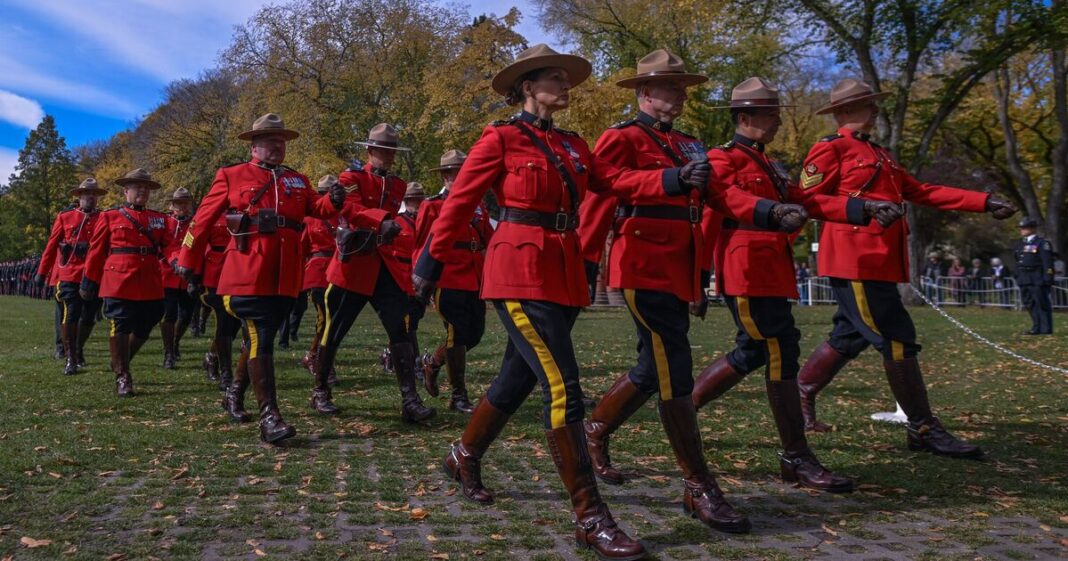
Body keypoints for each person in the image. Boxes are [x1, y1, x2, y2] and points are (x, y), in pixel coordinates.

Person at [413, 44, 720, 560]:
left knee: (517, 378)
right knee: (563, 388)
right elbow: (460, 201)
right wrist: (428, 264)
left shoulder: (576, 145)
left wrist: (670, 178)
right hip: (516, 269)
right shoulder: (500, 137)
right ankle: (591, 518)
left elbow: (614, 182)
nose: (566, 85)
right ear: (529, 87)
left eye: (566, 77)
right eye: (556, 78)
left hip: (562, 272)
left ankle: (463, 454)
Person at [578, 63, 814, 534]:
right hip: (641, 261)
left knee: (653, 367)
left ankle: (594, 430)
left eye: (684, 87)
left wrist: (771, 211)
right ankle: (698, 484)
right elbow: (601, 194)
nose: (681, 94)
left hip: (678, 267)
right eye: (671, 86)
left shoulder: (687, 142)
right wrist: (585, 264)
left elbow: (720, 198)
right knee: (674, 370)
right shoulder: (621, 138)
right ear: (645, 91)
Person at [795, 79, 1017, 459]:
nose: (876, 111)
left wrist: (983, 201)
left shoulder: (880, 154)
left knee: (849, 337)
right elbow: (806, 200)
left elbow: (922, 191)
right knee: (897, 337)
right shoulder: (830, 148)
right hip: (855, 260)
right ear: (845, 113)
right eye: (868, 105)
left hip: (880, 260)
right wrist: (860, 209)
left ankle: (800, 397)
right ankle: (923, 427)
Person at [176, 113, 345, 444]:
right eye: (270, 140)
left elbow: (318, 208)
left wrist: (334, 200)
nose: (277, 146)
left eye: (281, 141)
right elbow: (201, 220)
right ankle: (270, 417)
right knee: (260, 337)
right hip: (247, 272)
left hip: (285, 276)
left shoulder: (298, 180)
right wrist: (187, 258)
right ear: (254, 146)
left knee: (259, 339)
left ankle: (235, 392)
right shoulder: (231, 175)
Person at [312, 124, 435, 421]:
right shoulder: (351, 178)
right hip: (354, 264)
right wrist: (380, 221)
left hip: (384, 265)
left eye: (392, 150)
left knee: (400, 330)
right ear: (369, 150)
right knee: (334, 330)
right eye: (383, 150)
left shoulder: (398, 185)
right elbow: (350, 210)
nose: (389, 155)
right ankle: (320, 391)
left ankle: (410, 400)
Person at [80, 169, 173, 397]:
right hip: (119, 278)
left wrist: (178, 260)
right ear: (126, 191)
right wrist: (89, 280)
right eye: (136, 187)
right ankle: (123, 375)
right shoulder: (110, 216)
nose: (141, 190)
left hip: (150, 278)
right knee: (120, 323)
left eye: (145, 187)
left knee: (150, 319)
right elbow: (96, 251)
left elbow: (170, 246)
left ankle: (121, 359)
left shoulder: (159, 218)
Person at [417, 149, 494, 414]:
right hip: (446, 276)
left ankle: (432, 362)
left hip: (474, 278)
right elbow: (422, 245)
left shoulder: (478, 206)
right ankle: (459, 396)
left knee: (474, 334)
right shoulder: (433, 205)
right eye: (457, 172)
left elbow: (489, 239)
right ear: (447, 176)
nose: (463, 176)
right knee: (456, 332)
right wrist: (422, 281)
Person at [36, 178, 106, 375]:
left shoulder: (104, 218)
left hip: (93, 275)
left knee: (90, 316)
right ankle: (71, 358)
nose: (91, 197)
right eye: (87, 194)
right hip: (69, 273)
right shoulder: (65, 217)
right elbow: (51, 245)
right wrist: (42, 272)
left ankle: (78, 348)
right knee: (70, 313)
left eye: (94, 194)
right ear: (80, 196)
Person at [378, 182, 429, 377]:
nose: (417, 203)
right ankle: (413, 363)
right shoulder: (396, 223)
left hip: (421, 277)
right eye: (413, 200)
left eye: (419, 199)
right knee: (406, 323)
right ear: (406, 201)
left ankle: (390, 355)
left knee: (414, 320)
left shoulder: (425, 222)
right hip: (401, 277)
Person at [299, 176, 340, 385]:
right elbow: (301, 249)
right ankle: (322, 362)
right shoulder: (309, 219)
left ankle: (313, 356)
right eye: (324, 193)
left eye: (330, 193)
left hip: (337, 270)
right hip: (316, 271)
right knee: (324, 318)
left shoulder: (341, 216)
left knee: (332, 319)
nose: (327, 197)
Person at [160, 188, 196, 369]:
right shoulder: (166, 222)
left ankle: (175, 342)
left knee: (186, 315)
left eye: (186, 202)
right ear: (172, 205)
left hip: (187, 277)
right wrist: (174, 259)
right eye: (179, 203)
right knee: (169, 314)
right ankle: (169, 352)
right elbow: (165, 244)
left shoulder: (195, 223)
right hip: (167, 274)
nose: (182, 206)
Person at [1014, 217, 1054, 335]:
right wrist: (1017, 275)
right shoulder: (1021, 243)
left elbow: (1047, 262)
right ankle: (1036, 327)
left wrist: (1048, 277)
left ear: (1032, 228)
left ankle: (1046, 328)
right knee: (1029, 302)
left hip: (1037, 277)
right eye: (1021, 228)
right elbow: (1017, 260)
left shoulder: (1042, 243)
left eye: (1024, 227)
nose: (1021, 230)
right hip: (1024, 277)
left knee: (1041, 303)